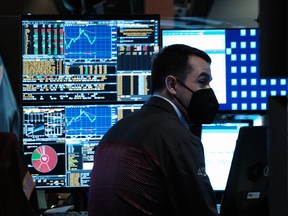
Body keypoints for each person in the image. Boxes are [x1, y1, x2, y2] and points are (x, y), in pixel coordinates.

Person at [88, 44, 219, 215]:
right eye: (202, 82)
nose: (209, 90)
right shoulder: (177, 137)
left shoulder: (115, 130)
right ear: (172, 84)